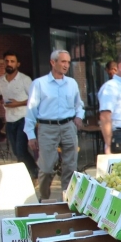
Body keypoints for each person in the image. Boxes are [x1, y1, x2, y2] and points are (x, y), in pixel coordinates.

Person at [25, 50, 85, 200]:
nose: (66, 65)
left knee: (70, 166)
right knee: (46, 168)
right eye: (63, 62)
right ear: (53, 62)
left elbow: (79, 104)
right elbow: (31, 110)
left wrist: (79, 116)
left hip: (68, 126)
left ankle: (67, 197)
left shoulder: (71, 83)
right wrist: (31, 135)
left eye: (68, 62)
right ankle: (44, 197)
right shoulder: (39, 84)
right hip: (47, 127)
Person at [0, 50, 38, 181]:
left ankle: (34, 174)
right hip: (10, 119)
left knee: (21, 150)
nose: (9, 64)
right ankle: (28, 175)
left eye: (12, 61)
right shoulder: (0, 80)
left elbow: (34, 99)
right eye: (7, 61)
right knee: (16, 152)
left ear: (18, 64)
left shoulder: (25, 79)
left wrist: (18, 103)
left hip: (24, 118)